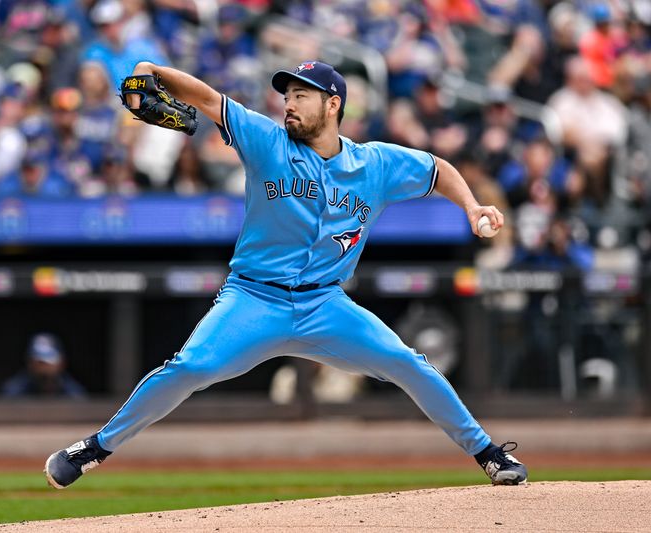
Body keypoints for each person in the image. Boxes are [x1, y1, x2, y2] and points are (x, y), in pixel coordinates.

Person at [44, 60, 528, 489]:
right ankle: (94, 448)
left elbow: (437, 168)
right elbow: (207, 99)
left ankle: (488, 454)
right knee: (190, 368)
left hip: (325, 305)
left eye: (301, 95)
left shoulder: (374, 163)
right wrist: (154, 70)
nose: (289, 104)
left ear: (332, 104)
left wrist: (472, 204)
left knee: (408, 363)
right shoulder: (266, 140)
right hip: (253, 300)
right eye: (287, 95)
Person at [1, 333, 87, 398]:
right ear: (29, 363)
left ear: (61, 363)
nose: (44, 367)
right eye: (39, 362)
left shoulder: (74, 393)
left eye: (49, 360)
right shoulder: (13, 392)